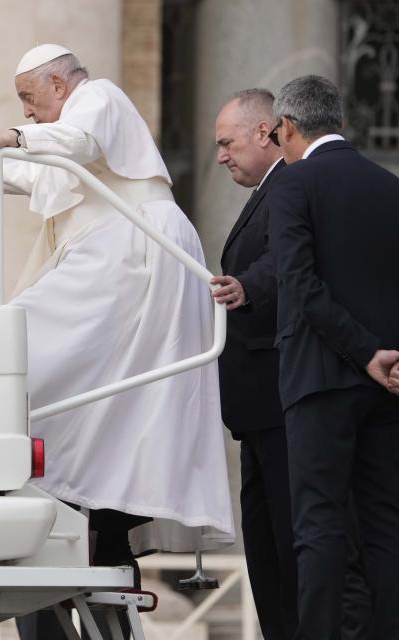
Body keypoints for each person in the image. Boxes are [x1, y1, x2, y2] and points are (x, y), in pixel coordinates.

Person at [0, 43, 234, 637]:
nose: (27, 112)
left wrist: (5, 137)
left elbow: (73, 147)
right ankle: (77, 496)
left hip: (133, 255)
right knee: (99, 401)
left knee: (17, 343)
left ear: (59, 83)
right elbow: (47, 172)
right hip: (117, 258)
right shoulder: (66, 121)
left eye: (30, 98)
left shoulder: (98, 97)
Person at [214, 88, 370, 640]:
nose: (220, 156)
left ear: (267, 132)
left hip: (286, 399)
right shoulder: (271, 188)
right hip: (259, 408)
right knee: (269, 556)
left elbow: (287, 266)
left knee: (302, 549)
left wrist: (244, 288)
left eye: (227, 142)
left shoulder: (295, 183)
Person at [268, 74, 399, 639]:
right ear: (339, 123)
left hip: (321, 381)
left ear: (289, 128)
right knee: (386, 524)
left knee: (318, 526)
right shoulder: (388, 186)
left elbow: (298, 283)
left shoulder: (294, 185)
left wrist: (364, 351)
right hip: (388, 383)